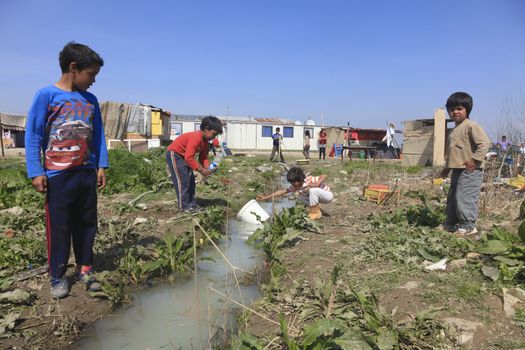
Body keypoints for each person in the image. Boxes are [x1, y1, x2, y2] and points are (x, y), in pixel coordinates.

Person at [25, 42, 109, 299]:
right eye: (91, 74)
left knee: (86, 223)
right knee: (59, 227)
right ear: (73, 68)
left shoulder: (91, 100)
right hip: (57, 176)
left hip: (86, 172)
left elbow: (98, 137)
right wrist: (35, 170)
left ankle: (85, 268)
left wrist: (101, 165)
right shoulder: (46, 96)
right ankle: (58, 275)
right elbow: (33, 135)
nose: (93, 80)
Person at [435, 92, 491, 236]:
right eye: (452, 109)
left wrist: (475, 159)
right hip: (457, 169)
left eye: (459, 108)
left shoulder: (471, 126)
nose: (455, 112)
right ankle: (451, 224)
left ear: (467, 109)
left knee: (465, 197)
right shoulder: (454, 129)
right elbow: (454, 153)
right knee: (453, 196)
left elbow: (484, 144)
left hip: (471, 170)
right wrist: (446, 169)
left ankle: (468, 227)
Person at [166, 116, 223, 213]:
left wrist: (207, 168)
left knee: (191, 181)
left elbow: (203, 157)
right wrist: (202, 170)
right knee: (183, 181)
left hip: (184, 156)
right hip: (175, 155)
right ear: (206, 129)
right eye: (214, 134)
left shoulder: (205, 142)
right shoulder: (196, 138)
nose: (214, 137)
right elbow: (189, 158)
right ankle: (184, 207)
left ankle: (191, 205)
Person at [256, 167, 333, 220]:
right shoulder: (295, 187)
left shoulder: (308, 180)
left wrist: (317, 184)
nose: (293, 184)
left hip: (327, 195)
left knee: (313, 190)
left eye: (294, 181)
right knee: (300, 197)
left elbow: (324, 175)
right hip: (318, 198)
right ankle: (317, 210)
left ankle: (315, 213)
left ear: (300, 178)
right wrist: (265, 197)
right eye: (291, 182)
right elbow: (281, 192)